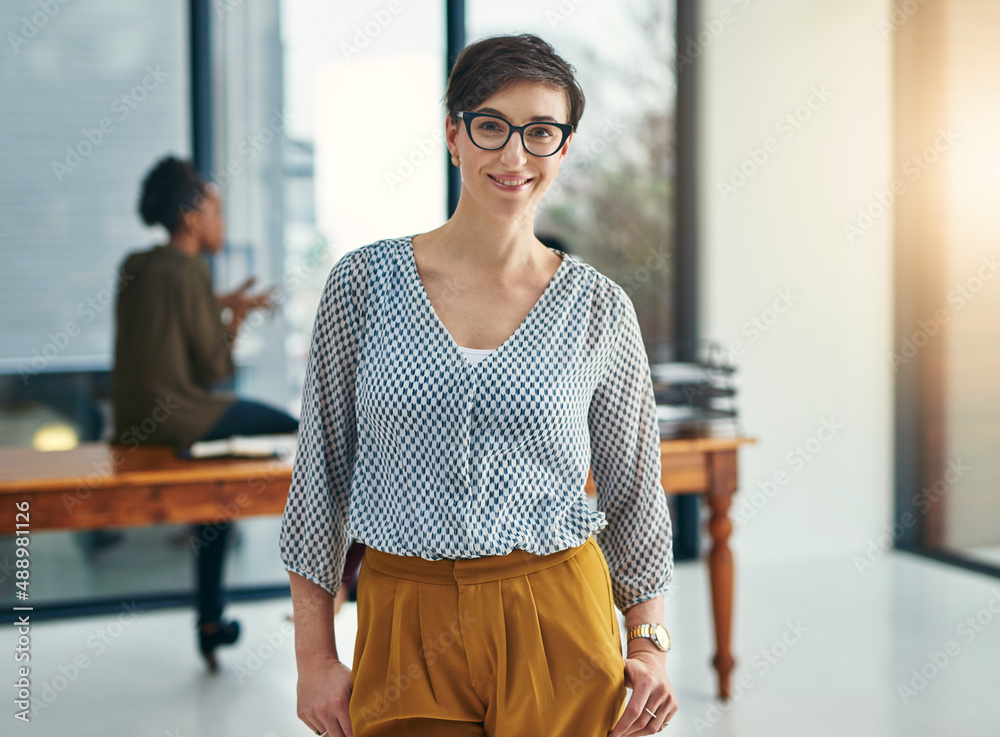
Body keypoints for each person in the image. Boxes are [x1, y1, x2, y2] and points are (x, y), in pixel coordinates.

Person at [280, 33, 678, 737]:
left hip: (558, 612)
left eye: (541, 132)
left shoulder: (598, 308)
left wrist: (649, 642)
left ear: (565, 147)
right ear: (453, 133)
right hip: (406, 613)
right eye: (491, 125)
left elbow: (634, 493)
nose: (514, 155)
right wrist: (315, 656)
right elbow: (320, 482)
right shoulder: (362, 286)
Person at [111, 155, 299, 672]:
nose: (222, 223)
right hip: (184, 418)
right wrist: (233, 318)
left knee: (217, 494)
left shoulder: (135, 266)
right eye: (216, 211)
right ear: (192, 216)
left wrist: (216, 302)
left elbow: (164, 310)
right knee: (298, 431)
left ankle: (212, 624)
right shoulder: (190, 269)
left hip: (133, 424)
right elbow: (214, 367)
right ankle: (336, 589)